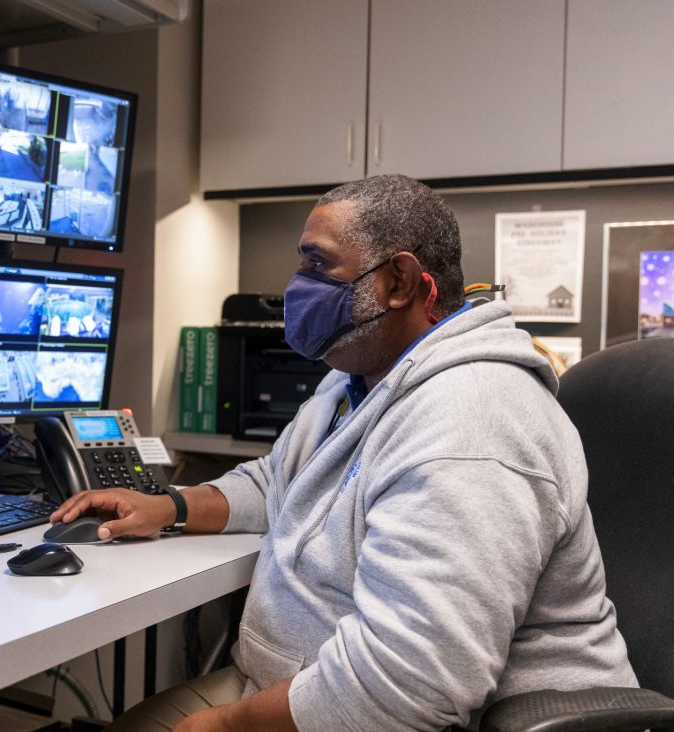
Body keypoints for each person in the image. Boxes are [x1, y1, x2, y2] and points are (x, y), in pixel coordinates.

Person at [49, 175, 636, 731]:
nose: (297, 287)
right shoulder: (357, 378)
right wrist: (169, 505)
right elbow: (278, 480)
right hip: (304, 687)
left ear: (399, 282)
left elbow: (409, 684)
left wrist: (226, 724)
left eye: (318, 264)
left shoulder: (470, 423)